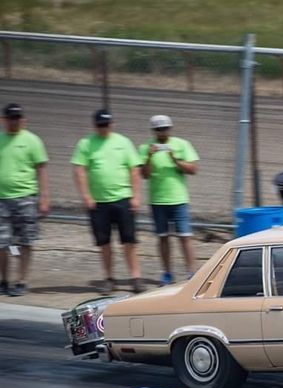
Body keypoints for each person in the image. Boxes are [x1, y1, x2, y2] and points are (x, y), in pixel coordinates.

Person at [71, 109, 144, 295]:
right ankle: (109, 278)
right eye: (100, 125)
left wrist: (135, 196)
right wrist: (86, 196)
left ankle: (136, 277)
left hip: (122, 199)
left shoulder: (123, 142)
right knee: (104, 243)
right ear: (95, 125)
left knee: (129, 241)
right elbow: (79, 170)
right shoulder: (86, 144)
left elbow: (134, 170)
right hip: (98, 203)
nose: (103, 128)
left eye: (106, 124)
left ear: (113, 124)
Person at [139, 114, 199, 285]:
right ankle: (167, 273)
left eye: (164, 129)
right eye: (158, 130)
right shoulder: (145, 147)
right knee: (162, 237)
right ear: (153, 131)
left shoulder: (182, 144)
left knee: (185, 236)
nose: (162, 133)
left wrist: (175, 159)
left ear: (170, 128)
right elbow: (144, 174)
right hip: (157, 200)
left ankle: (192, 272)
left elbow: (193, 169)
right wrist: (149, 157)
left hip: (178, 199)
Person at [0, 103, 50, 297]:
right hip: (2, 199)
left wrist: (45, 198)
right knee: (2, 243)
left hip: (26, 198)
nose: (14, 121)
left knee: (25, 241)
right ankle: (4, 280)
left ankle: (22, 280)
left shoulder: (32, 141)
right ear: (4, 120)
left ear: (23, 120)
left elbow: (42, 171)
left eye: (17, 118)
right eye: (10, 118)